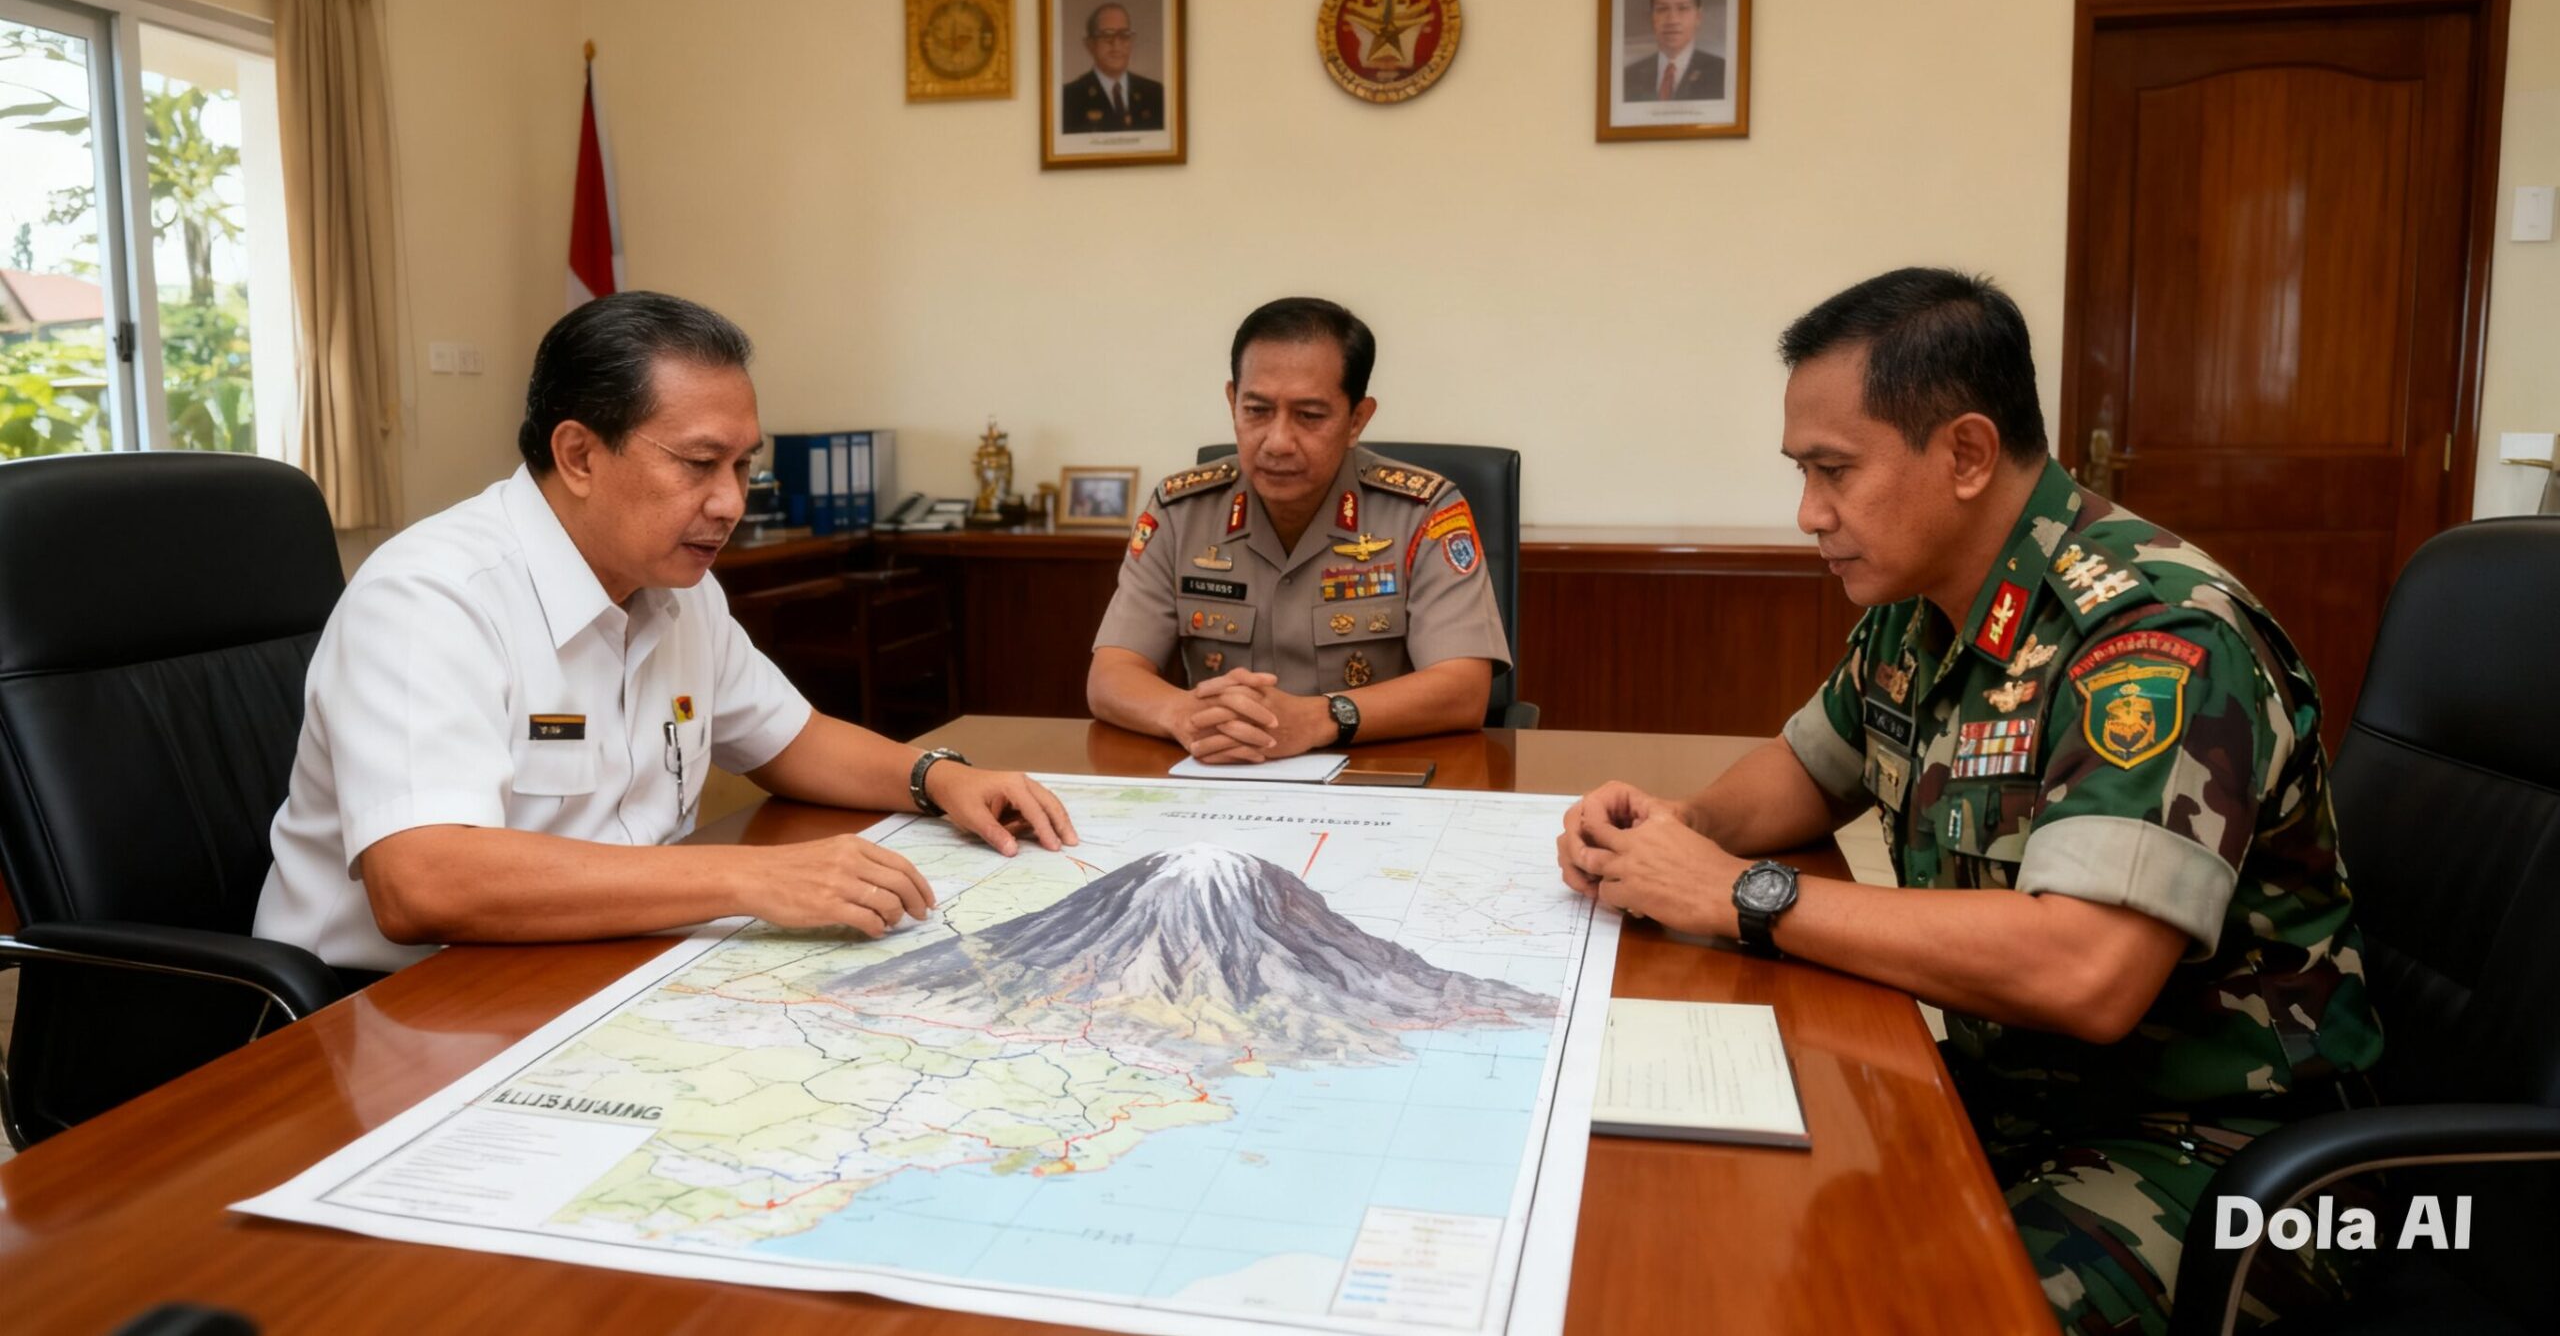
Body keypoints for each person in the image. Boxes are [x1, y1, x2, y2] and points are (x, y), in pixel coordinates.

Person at [1555, 268, 2382, 1332]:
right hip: (2018, 1095)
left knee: (1880, 1310)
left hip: (2225, 1153)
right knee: (1709, 1220)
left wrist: (1742, 893)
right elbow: (1812, 767)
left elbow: (2086, 967)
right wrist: (1676, 833)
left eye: (1833, 470)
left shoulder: (2153, 639)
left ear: (1965, 453)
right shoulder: (1925, 602)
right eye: (1802, 470)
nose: (1808, 512)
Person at [255, 292, 1077, 976]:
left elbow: (792, 740)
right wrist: (750, 877)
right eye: (697, 463)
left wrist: (937, 776)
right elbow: (424, 884)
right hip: (382, 1008)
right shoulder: (432, 597)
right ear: (578, 454)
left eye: (743, 466)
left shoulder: (680, 591)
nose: (730, 502)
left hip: (594, 965)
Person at [1087, 296, 1511, 763]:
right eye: (1257, 410)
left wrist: (1318, 719)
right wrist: (1182, 713)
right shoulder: (1180, 510)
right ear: (1232, 403)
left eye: (1309, 416)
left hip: (1381, 780)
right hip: (1224, 782)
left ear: (1357, 420)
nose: (1278, 442)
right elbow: (1110, 675)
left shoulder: (1423, 512)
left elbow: (1464, 689)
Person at [1059, 1, 1165, 134]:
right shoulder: (1068, 98)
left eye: (1124, 35)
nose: (1116, 44)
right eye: (1107, 35)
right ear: (1090, 44)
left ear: (1131, 41)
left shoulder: (1156, 94)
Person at [1620, 0, 1724, 103]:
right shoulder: (1629, 76)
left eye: (1683, 8)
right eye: (1662, 9)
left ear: (1698, 16)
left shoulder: (1720, 72)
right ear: (1651, 17)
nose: (1672, 20)